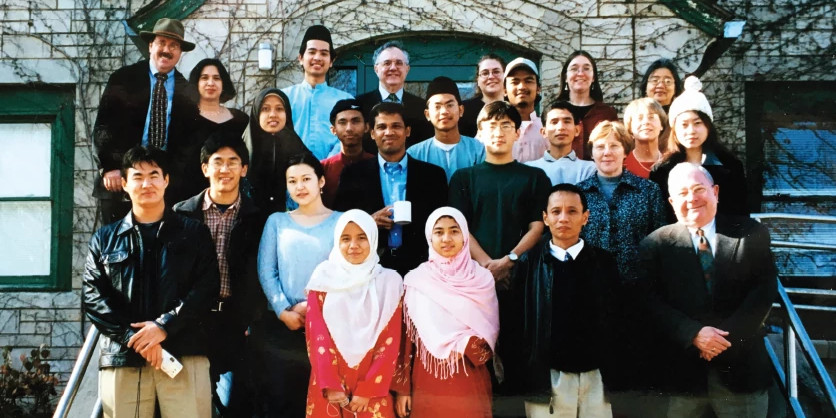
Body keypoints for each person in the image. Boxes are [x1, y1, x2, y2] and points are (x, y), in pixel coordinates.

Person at [83, 146, 219, 418]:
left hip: (184, 353)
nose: (146, 184)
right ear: (123, 184)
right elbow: (93, 297)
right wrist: (132, 337)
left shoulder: (194, 233)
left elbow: (206, 288)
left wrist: (164, 326)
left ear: (166, 180)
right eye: (137, 176)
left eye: (154, 175)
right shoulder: (104, 239)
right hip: (123, 357)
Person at [639, 162, 777, 416]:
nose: (691, 199)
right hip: (681, 375)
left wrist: (721, 341)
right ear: (671, 202)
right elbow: (648, 301)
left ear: (715, 191)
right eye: (682, 193)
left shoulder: (750, 233)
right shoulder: (655, 244)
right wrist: (693, 334)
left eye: (698, 189)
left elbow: (764, 291)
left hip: (740, 372)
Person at [448, 101, 551, 404]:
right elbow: (459, 227)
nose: (499, 132)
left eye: (507, 125)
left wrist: (510, 260)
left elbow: (537, 226)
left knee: (518, 359)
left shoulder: (534, 178)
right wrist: (487, 266)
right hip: (473, 283)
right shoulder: (464, 178)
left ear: (518, 133)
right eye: (491, 125)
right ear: (479, 133)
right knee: (478, 361)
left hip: (521, 281)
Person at [172, 134, 265, 417]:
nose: (225, 170)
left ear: (244, 169)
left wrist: (252, 319)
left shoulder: (257, 217)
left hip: (237, 323)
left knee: (237, 405)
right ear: (205, 168)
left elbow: (260, 274)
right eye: (217, 162)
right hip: (193, 319)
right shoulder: (182, 214)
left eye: (232, 162)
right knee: (192, 404)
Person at [519, 184, 621, 418]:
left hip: (597, 377)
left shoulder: (604, 263)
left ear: (585, 217)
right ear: (545, 218)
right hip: (548, 378)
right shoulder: (529, 264)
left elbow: (618, 319)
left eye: (572, 211)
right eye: (556, 211)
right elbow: (518, 325)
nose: (563, 218)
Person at [254, 153, 341, 417]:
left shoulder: (341, 221)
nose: (299, 187)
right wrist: (283, 310)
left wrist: (315, 307)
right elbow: (266, 271)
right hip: (286, 326)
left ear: (321, 181)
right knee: (284, 402)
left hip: (331, 327)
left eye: (306, 179)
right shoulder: (277, 221)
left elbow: (348, 272)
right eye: (292, 181)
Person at [393, 207, 500, 418]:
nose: (446, 238)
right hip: (427, 378)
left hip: (469, 375)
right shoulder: (415, 281)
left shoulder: (483, 279)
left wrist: (466, 343)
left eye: (454, 231)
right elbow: (406, 339)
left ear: (465, 236)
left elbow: (490, 334)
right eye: (439, 232)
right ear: (429, 237)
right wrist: (402, 390)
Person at [92, 18, 198, 225]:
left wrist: (173, 183)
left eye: (173, 46)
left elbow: (188, 144)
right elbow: (104, 126)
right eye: (162, 43)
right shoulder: (123, 79)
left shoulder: (188, 92)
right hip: (121, 181)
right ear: (151, 46)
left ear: (179, 52)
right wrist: (110, 167)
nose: (166, 50)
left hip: (164, 189)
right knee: (117, 250)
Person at [305, 209, 404, 417]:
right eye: (345, 238)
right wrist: (330, 383)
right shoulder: (323, 278)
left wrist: (369, 389)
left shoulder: (390, 282)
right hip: (330, 385)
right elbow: (317, 335)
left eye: (362, 238)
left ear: (374, 239)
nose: (353, 245)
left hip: (373, 385)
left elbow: (391, 339)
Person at [334, 102, 448, 276]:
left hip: (422, 269)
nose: (389, 132)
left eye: (396, 126)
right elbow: (340, 224)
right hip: (369, 268)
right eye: (381, 127)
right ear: (372, 133)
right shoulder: (353, 175)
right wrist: (369, 221)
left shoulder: (433, 176)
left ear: (407, 131)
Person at [577, 121, 666, 283]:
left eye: (614, 146)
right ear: (591, 153)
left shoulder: (648, 190)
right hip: (591, 284)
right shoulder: (578, 193)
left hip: (638, 284)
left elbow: (660, 239)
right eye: (600, 147)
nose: (607, 152)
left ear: (625, 151)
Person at [650, 76, 748, 222]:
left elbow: (740, 216)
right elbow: (659, 220)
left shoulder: (730, 166)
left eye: (697, 123)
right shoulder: (661, 171)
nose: (691, 131)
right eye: (684, 125)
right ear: (674, 129)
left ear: (708, 126)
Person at [282, 25, 353, 160]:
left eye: (324, 53)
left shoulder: (345, 100)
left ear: (331, 61)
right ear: (301, 58)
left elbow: (347, 137)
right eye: (312, 52)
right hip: (292, 172)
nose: (318, 58)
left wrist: (328, 163)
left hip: (334, 171)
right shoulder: (284, 98)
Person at [182, 58, 249, 198]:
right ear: (196, 83)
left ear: (223, 83)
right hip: (190, 196)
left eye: (216, 78)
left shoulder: (240, 120)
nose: (210, 83)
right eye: (204, 78)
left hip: (232, 195)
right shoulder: (184, 118)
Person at [356, 41, 433, 151]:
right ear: (376, 69)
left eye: (399, 63)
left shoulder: (422, 107)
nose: (393, 68)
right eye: (387, 63)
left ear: (407, 69)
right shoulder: (359, 105)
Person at [244, 87, 310, 214]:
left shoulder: (298, 149)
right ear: (257, 113)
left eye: (279, 109)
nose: (273, 114)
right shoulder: (241, 149)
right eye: (265, 109)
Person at [407, 76, 486, 181]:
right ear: (427, 114)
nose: (444, 111)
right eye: (437, 106)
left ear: (461, 110)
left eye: (450, 105)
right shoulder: (415, 154)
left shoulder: (478, 150)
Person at [556, 50, 618, 159]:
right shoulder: (555, 112)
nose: (580, 73)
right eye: (574, 69)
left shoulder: (607, 114)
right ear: (565, 77)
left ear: (593, 77)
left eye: (586, 68)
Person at [525, 100, 597, 185]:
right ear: (544, 132)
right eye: (554, 122)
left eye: (567, 121)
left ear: (577, 130)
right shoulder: (529, 169)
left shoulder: (589, 169)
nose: (561, 127)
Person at [320, 99, 374, 208]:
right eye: (342, 122)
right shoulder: (322, 169)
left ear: (366, 127)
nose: (349, 128)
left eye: (356, 121)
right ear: (333, 130)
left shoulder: (378, 166)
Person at [504, 57, 547, 163]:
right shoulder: (492, 130)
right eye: (515, 82)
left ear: (538, 88)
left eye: (528, 81)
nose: (522, 87)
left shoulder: (549, 129)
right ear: (504, 89)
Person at [460, 54, 506, 137]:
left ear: (505, 76)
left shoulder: (514, 107)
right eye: (485, 73)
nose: (491, 77)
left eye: (496, 72)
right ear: (478, 79)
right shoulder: (465, 110)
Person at [622, 97, 667, 179]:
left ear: (661, 125)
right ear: (630, 127)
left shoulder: (670, 164)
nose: (646, 122)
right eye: (639, 118)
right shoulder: (622, 166)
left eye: (651, 117)